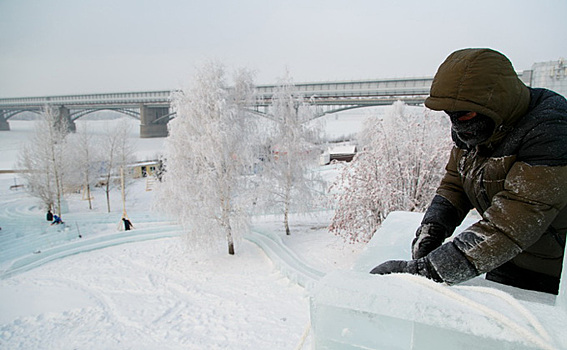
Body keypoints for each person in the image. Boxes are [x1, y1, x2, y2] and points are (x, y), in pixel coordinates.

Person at [370, 48, 567, 295]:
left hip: (548, 277)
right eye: (450, 115)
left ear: (494, 102)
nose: (457, 125)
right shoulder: (481, 127)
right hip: (501, 258)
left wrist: (430, 271)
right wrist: (433, 228)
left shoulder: (551, 129)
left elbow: (515, 220)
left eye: (465, 114)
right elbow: (456, 183)